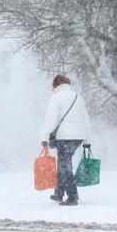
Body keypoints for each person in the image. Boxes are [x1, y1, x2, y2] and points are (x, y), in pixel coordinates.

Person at [40, 72, 91, 205]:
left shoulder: (56, 98)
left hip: (65, 136)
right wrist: (87, 141)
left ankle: (72, 197)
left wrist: (44, 136)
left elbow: (51, 121)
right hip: (78, 136)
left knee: (65, 166)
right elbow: (86, 120)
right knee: (63, 163)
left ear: (55, 85)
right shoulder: (78, 98)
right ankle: (59, 192)